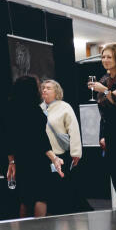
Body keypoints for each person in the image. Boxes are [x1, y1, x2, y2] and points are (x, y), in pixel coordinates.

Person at [5, 75, 64, 218]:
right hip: (37, 160)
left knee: (25, 198)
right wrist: (54, 158)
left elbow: (8, 139)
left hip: (21, 159)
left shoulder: (10, 109)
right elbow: (41, 141)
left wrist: (11, 161)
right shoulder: (35, 111)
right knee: (40, 197)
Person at [87, 42, 116, 206]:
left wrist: (105, 91)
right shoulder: (104, 79)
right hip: (110, 133)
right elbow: (103, 112)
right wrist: (102, 135)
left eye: (109, 57)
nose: (105, 60)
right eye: (103, 57)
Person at [40, 79, 83, 212]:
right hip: (43, 155)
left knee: (61, 186)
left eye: (48, 88)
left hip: (60, 154)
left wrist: (76, 152)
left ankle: (63, 213)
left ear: (57, 92)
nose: (44, 90)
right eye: (43, 88)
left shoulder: (65, 107)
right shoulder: (39, 108)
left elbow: (74, 130)